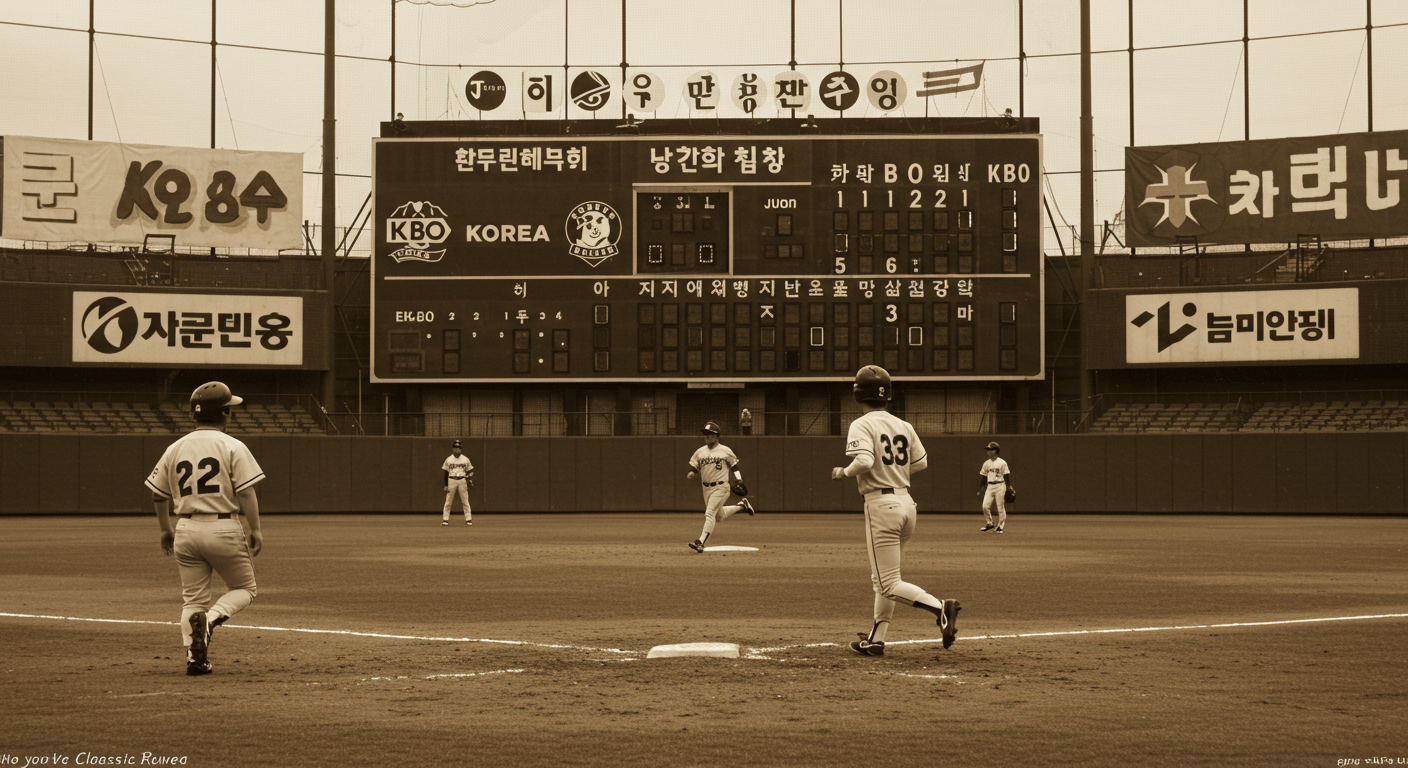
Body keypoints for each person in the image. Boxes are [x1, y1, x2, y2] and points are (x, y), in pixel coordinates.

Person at [831, 365, 959, 656]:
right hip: (906, 505)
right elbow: (921, 463)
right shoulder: (904, 425)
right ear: (887, 395)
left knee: (887, 582)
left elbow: (863, 461)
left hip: (882, 506)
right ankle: (876, 640)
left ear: (857, 394)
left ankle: (942, 609)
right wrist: (895, 471)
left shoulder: (861, 424)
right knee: (885, 578)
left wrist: (843, 472)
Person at [145, 381, 265, 676]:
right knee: (245, 588)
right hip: (223, 526)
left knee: (192, 600)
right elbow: (247, 492)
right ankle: (210, 621)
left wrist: (165, 530)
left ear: (194, 414)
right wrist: (256, 529)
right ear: (224, 414)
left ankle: (195, 659)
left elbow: (157, 494)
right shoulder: (233, 445)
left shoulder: (174, 448)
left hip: (185, 528)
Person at [686, 420, 755, 552]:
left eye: (710, 434)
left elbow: (734, 466)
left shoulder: (725, 450)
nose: (706, 436)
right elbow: (696, 465)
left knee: (709, 513)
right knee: (719, 516)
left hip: (721, 487)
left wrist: (739, 480)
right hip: (706, 488)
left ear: (717, 436)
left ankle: (700, 542)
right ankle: (742, 505)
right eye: (705, 434)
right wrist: (692, 472)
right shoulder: (700, 451)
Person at [978, 441, 1011, 534]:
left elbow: (1006, 475)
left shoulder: (1002, 462)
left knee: (1000, 507)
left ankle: (1000, 526)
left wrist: (1008, 486)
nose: (988, 451)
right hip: (990, 486)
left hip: (1000, 485)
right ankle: (989, 523)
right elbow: (983, 476)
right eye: (988, 450)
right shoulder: (986, 463)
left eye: (990, 449)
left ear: (995, 451)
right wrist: (981, 487)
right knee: (985, 506)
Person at [442, 439, 474, 526]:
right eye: (455, 448)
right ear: (453, 449)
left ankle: (468, 520)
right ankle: (445, 519)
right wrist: (445, 485)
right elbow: (446, 472)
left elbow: (470, 471)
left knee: (465, 501)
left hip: (462, 481)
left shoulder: (465, 459)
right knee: (448, 501)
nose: (457, 449)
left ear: (461, 449)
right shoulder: (448, 459)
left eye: (458, 448)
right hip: (451, 480)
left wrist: (469, 477)